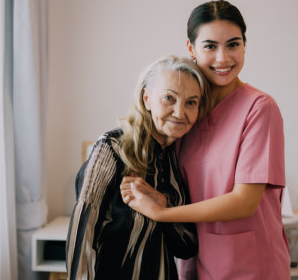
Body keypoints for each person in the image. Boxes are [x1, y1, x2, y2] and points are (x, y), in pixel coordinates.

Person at [121, 0, 291, 279]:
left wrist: (163, 212)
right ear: (191, 48)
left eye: (233, 44)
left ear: (244, 46)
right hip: (196, 258)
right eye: (210, 46)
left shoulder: (260, 108)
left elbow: (244, 201)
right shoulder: (187, 111)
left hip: (251, 263)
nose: (223, 58)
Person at [66, 55, 209, 280]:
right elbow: (82, 232)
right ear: (147, 98)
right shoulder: (112, 147)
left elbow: (187, 246)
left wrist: (162, 206)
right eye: (169, 98)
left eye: (191, 102)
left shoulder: (176, 158)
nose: (180, 112)